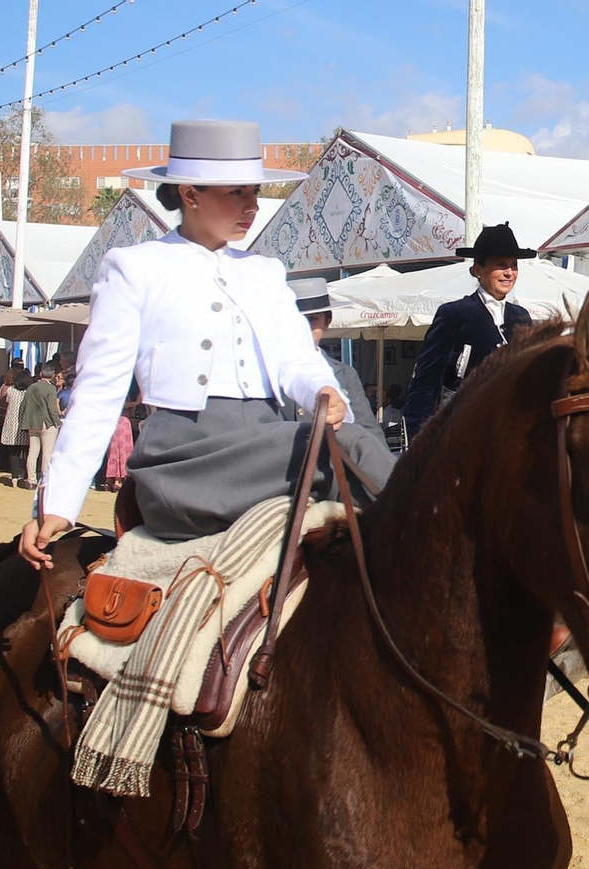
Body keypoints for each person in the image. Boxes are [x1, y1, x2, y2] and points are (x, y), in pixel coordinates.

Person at [22, 119, 396, 557]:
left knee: (348, 447)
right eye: (236, 192)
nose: (252, 206)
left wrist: (322, 391)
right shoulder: (134, 267)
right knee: (352, 445)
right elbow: (100, 389)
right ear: (190, 194)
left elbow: (297, 358)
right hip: (183, 458)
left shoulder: (265, 272)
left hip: (270, 444)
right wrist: (57, 503)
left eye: (255, 192)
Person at [401, 222, 534, 440]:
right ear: (477, 269)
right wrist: (418, 438)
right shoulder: (454, 314)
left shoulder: (521, 316)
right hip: (462, 429)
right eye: (501, 265)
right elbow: (426, 381)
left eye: (514, 265)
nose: (509, 273)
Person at [287, 276, 386, 448]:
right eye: (296, 320)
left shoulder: (345, 374)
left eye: (313, 320)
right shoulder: (265, 373)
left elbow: (370, 436)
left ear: (327, 322)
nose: (304, 328)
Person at [21, 361, 62, 490]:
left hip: (32, 422)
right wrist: (57, 422)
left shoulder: (31, 387)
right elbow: (52, 409)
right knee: (47, 452)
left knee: (33, 451)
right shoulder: (51, 388)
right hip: (47, 422)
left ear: (40, 374)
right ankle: (45, 479)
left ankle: (31, 479)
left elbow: (24, 405)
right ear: (53, 375)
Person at [0, 368, 31, 475]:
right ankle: (27, 475)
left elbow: (5, 401)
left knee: (14, 453)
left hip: (12, 424)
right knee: (28, 451)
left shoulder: (11, 391)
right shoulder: (29, 392)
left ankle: (14, 477)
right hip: (26, 424)